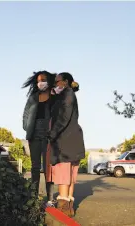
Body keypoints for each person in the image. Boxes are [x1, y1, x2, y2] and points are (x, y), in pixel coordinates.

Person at [47, 72, 85, 217]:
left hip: (65, 140)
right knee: (70, 175)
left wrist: (52, 133)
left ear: (66, 82)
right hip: (73, 139)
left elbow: (63, 117)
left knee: (63, 174)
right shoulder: (68, 94)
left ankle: (63, 209)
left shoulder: (67, 95)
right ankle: (68, 208)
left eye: (58, 82)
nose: (55, 84)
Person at [22, 71, 56, 207]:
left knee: (48, 167)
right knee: (35, 167)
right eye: (38, 80)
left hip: (48, 135)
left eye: (43, 80)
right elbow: (25, 112)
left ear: (49, 81)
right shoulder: (33, 97)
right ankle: (34, 197)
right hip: (34, 134)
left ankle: (50, 199)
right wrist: (26, 126)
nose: (40, 82)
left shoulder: (54, 97)